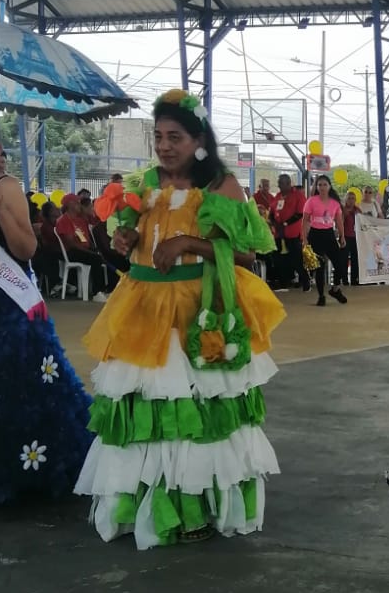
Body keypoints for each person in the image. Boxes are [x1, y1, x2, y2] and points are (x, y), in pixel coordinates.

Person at [76, 89, 284, 548]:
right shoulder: (143, 185)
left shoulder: (221, 187)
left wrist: (188, 243)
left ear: (199, 140)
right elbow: (132, 241)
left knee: (194, 412)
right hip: (141, 309)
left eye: (175, 137)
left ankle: (194, 507)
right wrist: (125, 239)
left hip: (195, 312)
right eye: (159, 136)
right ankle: (143, 504)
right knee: (144, 409)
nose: (165, 146)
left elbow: (246, 255)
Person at [0, 111, 91, 511]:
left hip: (3, 302)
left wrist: (0, 210)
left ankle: (16, 473)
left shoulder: (6, 188)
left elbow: (26, 250)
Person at [302, 175, 350, 306]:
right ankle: (321, 295)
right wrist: (304, 238)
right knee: (320, 267)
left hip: (329, 235)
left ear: (329, 186)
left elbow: (339, 221)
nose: (322, 187)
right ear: (317, 187)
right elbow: (305, 220)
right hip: (315, 235)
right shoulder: (311, 201)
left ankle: (335, 289)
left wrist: (342, 236)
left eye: (325, 184)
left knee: (339, 264)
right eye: (320, 185)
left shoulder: (335, 203)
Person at [273, 173, 308, 292]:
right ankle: (283, 283)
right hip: (279, 233)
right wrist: (274, 221)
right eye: (278, 183)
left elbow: (300, 214)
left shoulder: (298, 196)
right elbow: (273, 211)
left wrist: (285, 223)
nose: (278, 185)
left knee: (296, 259)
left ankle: (305, 281)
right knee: (279, 259)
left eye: (281, 183)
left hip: (293, 234)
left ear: (288, 183)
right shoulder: (278, 196)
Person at [341, 187, 361, 286]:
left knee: (355, 259)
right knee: (344, 259)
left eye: (353, 198)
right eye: (349, 198)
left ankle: (354, 279)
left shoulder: (358, 210)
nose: (351, 200)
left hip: (356, 238)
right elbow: (340, 223)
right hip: (345, 237)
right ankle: (344, 279)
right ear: (346, 199)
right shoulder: (343, 210)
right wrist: (341, 236)